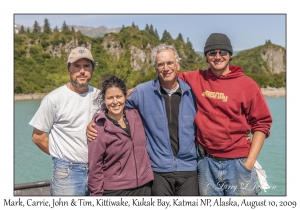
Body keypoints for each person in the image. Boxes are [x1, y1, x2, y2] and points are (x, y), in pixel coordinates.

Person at [87, 43, 199, 196]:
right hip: (158, 171)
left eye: (170, 63)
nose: (166, 68)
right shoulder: (142, 91)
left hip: (189, 170)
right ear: (155, 68)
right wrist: (97, 120)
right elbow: (114, 103)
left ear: (177, 64)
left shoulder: (193, 92)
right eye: (160, 64)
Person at [178, 33, 272, 196]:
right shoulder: (196, 78)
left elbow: (262, 124)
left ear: (230, 55)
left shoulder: (247, 85)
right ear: (206, 56)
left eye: (223, 52)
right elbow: (168, 77)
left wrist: (248, 163)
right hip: (206, 163)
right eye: (212, 52)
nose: (218, 56)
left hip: (239, 164)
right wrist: (134, 91)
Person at [29, 47, 100, 196]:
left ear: (92, 70)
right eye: (77, 66)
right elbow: (38, 137)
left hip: (98, 170)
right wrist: (61, 157)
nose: (82, 71)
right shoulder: (54, 99)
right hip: (67, 173)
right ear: (69, 69)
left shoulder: (100, 96)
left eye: (86, 66)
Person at [88, 76, 153, 196]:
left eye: (119, 96)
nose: (115, 102)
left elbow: (152, 88)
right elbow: (94, 168)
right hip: (116, 191)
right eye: (110, 98)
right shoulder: (98, 128)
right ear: (104, 99)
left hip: (144, 186)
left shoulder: (137, 116)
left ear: (125, 96)